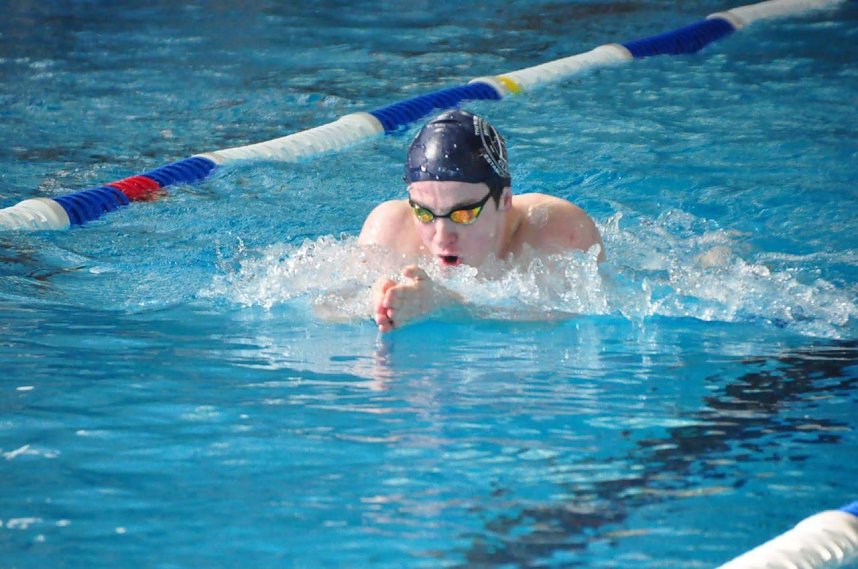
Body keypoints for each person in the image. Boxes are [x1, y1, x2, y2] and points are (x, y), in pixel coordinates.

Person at [358, 109, 604, 332]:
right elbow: (329, 308)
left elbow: (572, 321)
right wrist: (372, 302)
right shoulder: (390, 228)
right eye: (424, 213)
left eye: (463, 214)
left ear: (505, 200)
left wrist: (445, 304)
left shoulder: (555, 230)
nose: (442, 236)